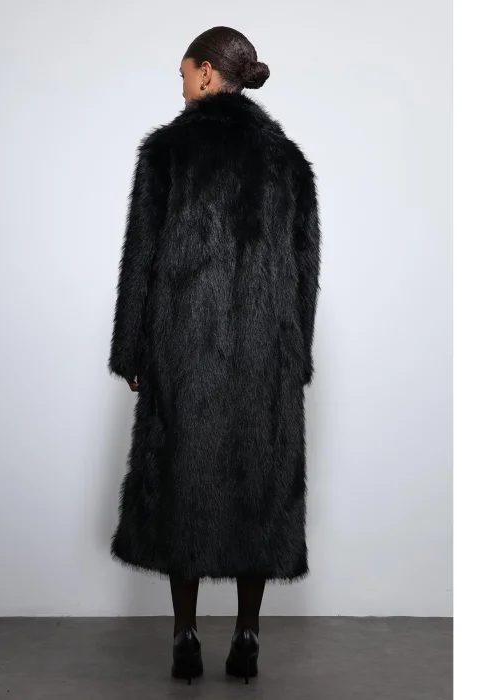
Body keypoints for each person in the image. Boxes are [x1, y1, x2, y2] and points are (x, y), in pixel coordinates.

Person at [108, 26, 321, 684]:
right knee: (261, 490)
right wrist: (296, 358)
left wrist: (132, 350)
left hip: (183, 352)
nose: (180, 86)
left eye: (183, 73)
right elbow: (305, 270)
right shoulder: (287, 159)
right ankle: (249, 633)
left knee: (182, 485)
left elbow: (142, 258)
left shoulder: (167, 152)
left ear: (206, 72)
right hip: (267, 356)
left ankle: (185, 634)